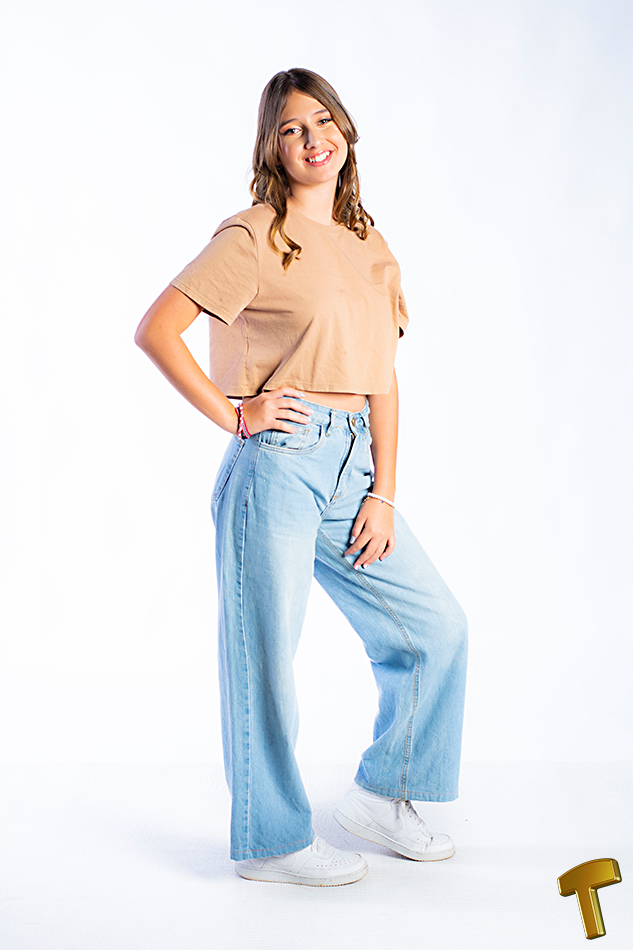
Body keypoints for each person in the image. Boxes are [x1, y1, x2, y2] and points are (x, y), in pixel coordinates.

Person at [134, 67, 468, 887]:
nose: (313, 139)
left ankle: (383, 793)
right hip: (278, 465)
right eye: (291, 128)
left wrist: (383, 491)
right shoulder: (255, 235)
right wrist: (235, 415)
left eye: (323, 121)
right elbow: (158, 329)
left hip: (353, 467)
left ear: (345, 131)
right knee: (264, 658)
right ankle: (271, 842)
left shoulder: (368, 244)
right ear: (272, 149)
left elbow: (382, 376)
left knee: (435, 629)